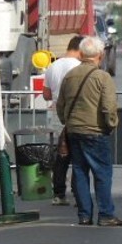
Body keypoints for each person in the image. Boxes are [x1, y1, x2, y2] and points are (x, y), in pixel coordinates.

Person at [56, 36, 122, 227]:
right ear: (100, 56)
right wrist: (111, 124)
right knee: (102, 173)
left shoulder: (70, 76)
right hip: (95, 131)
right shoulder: (102, 77)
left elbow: (60, 104)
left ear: (82, 54)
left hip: (74, 130)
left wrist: (67, 122)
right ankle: (106, 214)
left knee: (79, 172)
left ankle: (84, 215)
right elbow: (109, 107)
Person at [41, 35, 84, 206]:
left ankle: (59, 193)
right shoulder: (80, 66)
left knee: (61, 156)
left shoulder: (53, 65)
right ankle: (78, 192)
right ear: (81, 49)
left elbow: (46, 94)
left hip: (57, 117)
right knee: (79, 157)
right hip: (76, 115)